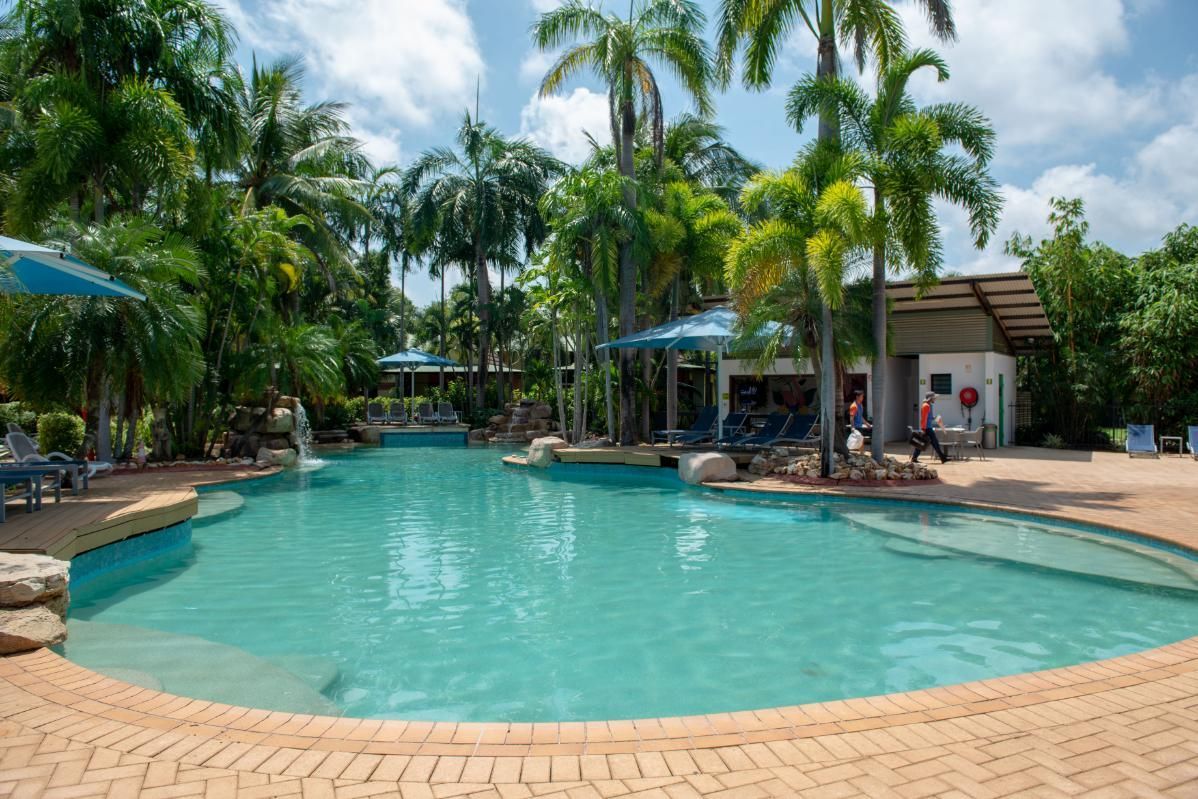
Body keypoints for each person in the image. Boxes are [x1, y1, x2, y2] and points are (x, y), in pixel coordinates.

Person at [913, 391, 948, 464]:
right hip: (927, 428)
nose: (935, 399)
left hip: (927, 427)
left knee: (923, 443)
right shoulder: (926, 406)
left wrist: (935, 417)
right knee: (933, 443)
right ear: (930, 398)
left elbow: (929, 417)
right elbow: (923, 418)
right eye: (934, 398)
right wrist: (923, 429)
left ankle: (914, 458)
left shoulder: (928, 405)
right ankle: (943, 458)